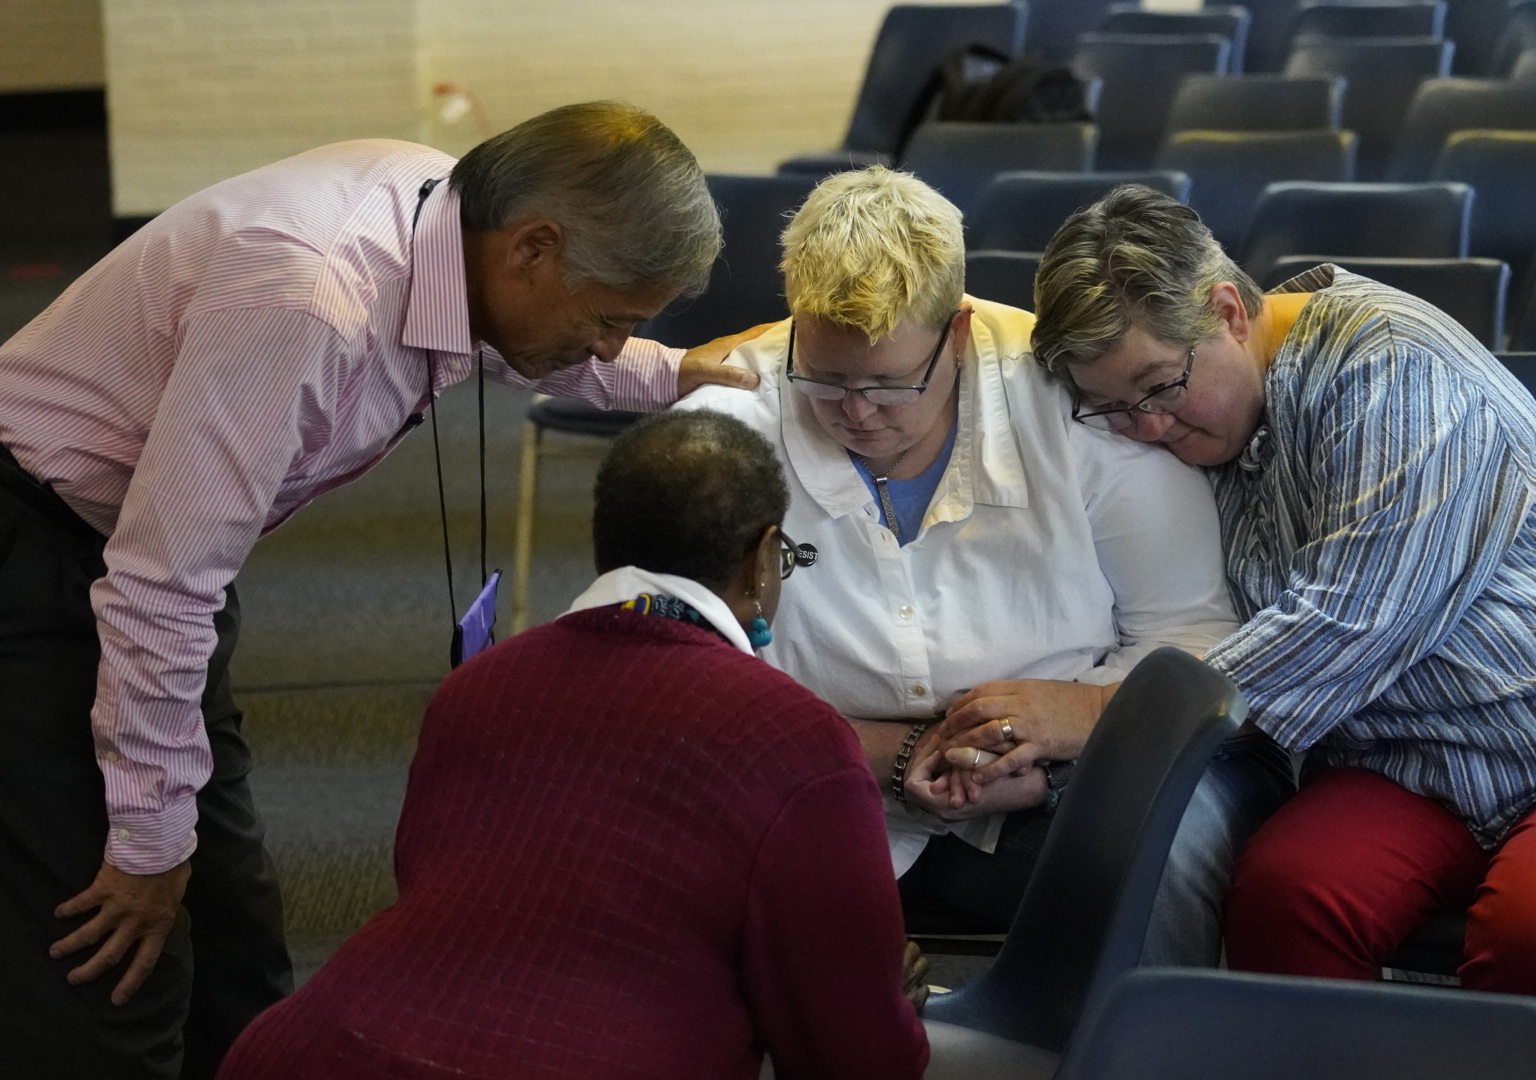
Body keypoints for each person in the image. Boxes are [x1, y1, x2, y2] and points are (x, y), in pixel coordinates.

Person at [0, 102, 762, 1079]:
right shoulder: (306, 300)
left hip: (139, 556)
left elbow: (497, 335)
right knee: (107, 965)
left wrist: (667, 374)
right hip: (13, 573)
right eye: (613, 319)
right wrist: (145, 842)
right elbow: (158, 590)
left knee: (231, 945)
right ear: (532, 247)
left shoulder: (449, 209)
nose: (612, 347)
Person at [678, 167, 1290, 963]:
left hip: (1069, 777)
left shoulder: (1079, 406)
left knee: (1163, 851)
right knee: (646, 832)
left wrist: (1056, 732)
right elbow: (676, 682)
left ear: (958, 335)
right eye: (826, 380)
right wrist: (887, 753)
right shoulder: (723, 426)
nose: (858, 413)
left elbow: (1195, 635)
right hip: (811, 778)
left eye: (893, 385)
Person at [215, 409, 931, 1080]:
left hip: (307, 1049)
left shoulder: (476, 688)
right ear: (765, 559)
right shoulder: (799, 739)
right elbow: (858, 1061)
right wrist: (882, 1000)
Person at [1028, 185, 1536, 993]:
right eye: (1112, 410)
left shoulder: (1391, 367)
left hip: (1522, 730)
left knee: (1524, 938)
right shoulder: (1218, 394)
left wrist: (1096, 716)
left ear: (1228, 310)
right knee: (1284, 898)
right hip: (1399, 757)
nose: (1149, 428)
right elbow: (979, 333)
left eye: (1160, 388)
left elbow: (1348, 621)